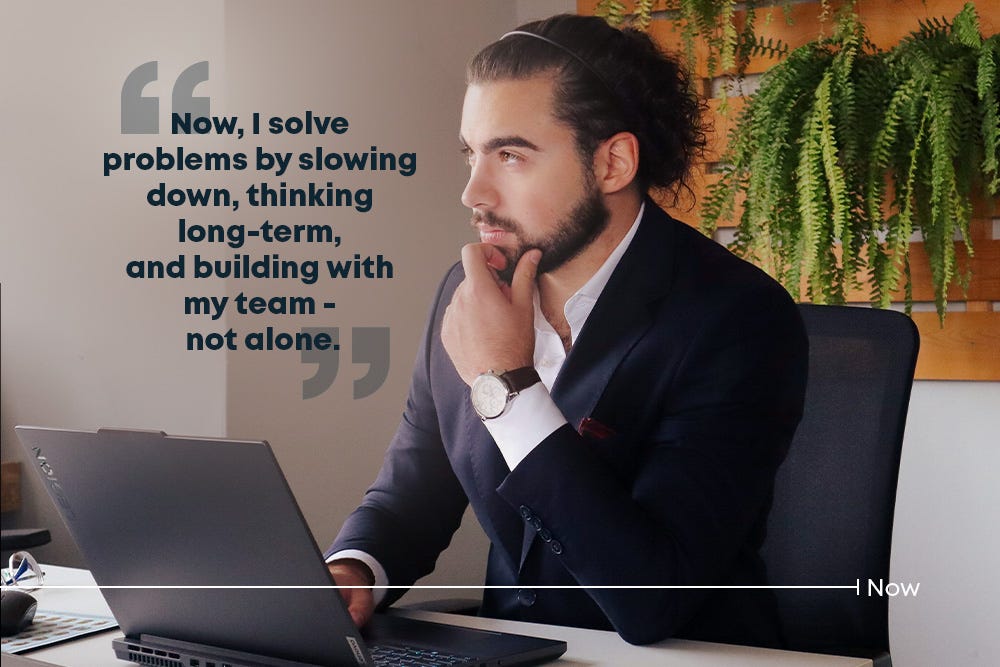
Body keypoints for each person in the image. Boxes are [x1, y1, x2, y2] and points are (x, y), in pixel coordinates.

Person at [325, 13, 808, 647]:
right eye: (472, 154)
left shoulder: (738, 319)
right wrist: (354, 568)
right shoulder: (470, 291)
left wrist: (507, 384)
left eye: (510, 155)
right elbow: (413, 490)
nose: (473, 191)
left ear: (612, 163)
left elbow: (650, 601)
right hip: (516, 654)